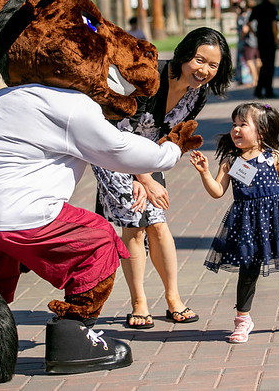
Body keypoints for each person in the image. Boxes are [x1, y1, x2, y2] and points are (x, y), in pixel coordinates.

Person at [92, 27, 233, 329]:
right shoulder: (149, 76)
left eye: (213, 65)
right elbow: (116, 129)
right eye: (199, 60)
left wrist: (151, 172)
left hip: (147, 153)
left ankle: (173, 299)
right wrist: (142, 178)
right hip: (111, 148)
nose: (204, 70)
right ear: (185, 54)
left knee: (156, 221)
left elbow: (172, 132)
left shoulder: (200, 92)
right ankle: (139, 302)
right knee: (136, 222)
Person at [189, 102, 279, 344]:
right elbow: (217, 191)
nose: (235, 130)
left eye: (242, 125)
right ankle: (242, 320)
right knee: (248, 270)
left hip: (278, 218)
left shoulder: (273, 157)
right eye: (234, 125)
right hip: (247, 222)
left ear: (261, 131)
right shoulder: (231, 161)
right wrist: (204, 173)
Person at [247, 0, 279, 99]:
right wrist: (276, 38)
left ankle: (259, 90)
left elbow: (248, 22)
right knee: (269, 66)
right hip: (270, 40)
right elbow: (274, 24)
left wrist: (255, 33)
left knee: (264, 65)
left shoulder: (258, 8)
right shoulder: (272, 7)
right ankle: (268, 90)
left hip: (261, 40)